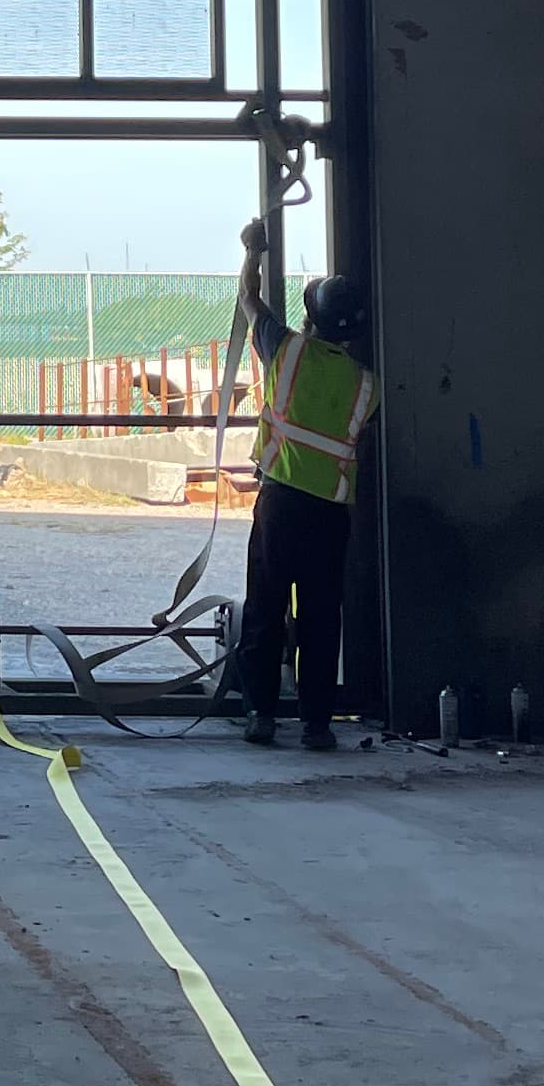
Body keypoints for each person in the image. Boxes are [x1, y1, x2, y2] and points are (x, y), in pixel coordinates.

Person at [227, 224, 375, 751]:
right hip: (331, 516)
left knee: (266, 608)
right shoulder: (366, 383)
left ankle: (262, 715)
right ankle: (317, 724)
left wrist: (253, 250)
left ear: (310, 318)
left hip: (281, 504)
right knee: (320, 615)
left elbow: (248, 298)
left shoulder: (286, 353)